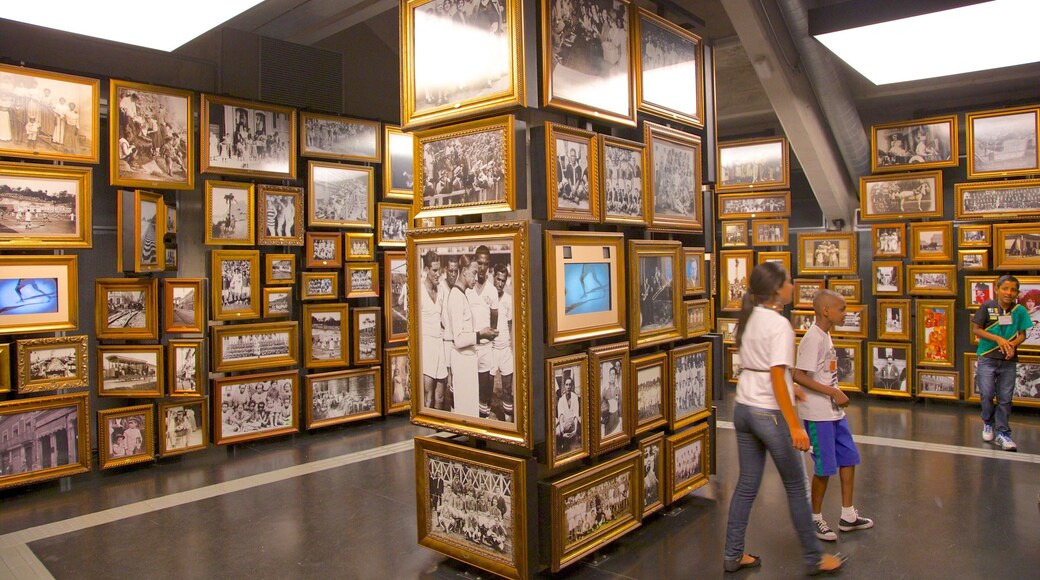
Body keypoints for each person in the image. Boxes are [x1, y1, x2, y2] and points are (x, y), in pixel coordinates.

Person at [723, 262, 845, 575]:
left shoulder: (749, 318)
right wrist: (794, 425)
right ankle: (814, 558)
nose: (793, 285)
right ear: (777, 289)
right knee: (795, 486)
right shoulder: (778, 325)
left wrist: (792, 387)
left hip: (744, 409)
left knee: (747, 485)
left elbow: (760, 366)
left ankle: (732, 554)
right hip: (769, 414)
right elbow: (776, 374)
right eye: (789, 282)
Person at [792, 289, 874, 542]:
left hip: (834, 413)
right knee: (825, 467)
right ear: (826, 310)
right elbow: (798, 375)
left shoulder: (826, 337)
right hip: (818, 415)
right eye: (842, 308)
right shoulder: (813, 338)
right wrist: (832, 392)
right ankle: (814, 518)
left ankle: (848, 514)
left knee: (848, 458)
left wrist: (835, 394)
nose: (845, 313)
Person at [972, 274, 1032, 451]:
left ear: (1017, 293)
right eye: (1005, 288)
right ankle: (988, 422)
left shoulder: (1019, 310)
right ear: (997, 289)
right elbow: (977, 329)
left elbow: (1022, 334)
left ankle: (1003, 433)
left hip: (1008, 361)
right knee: (987, 393)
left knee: (1005, 398)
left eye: (1013, 290)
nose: (1009, 292)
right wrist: (998, 339)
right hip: (987, 358)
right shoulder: (987, 306)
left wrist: (1011, 345)